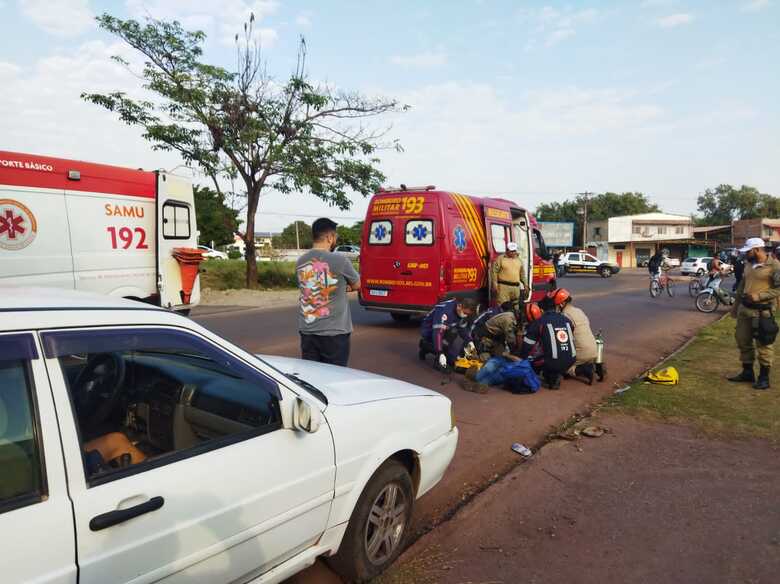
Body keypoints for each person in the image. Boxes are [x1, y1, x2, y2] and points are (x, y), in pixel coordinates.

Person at [296, 218, 360, 366]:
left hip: (307, 332)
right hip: (334, 333)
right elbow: (358, 284)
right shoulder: (340, 261)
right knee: (334, 375)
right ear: (329, 237)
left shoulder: (300, 261)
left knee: (311, 375)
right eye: (335, 236)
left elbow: (307, 288)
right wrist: (347, 287)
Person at [727, 238, 780, 390]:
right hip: (745, 310)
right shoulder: (749, 264)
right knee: (742, 340)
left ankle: (764, 378)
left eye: (748, 251)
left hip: (762, 312)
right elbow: (742, 286)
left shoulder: (774, 266)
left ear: (757, 250)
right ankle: (747, 372)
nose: (745, 254)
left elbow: (778, 288)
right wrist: (735, 308)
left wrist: (759, 296)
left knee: (764, 344)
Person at [547, 288, 604, 384]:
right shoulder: (579, 311)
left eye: (555, 305)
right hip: (594, 350)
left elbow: (561, 340)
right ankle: (593, 366)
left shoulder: (564, 316)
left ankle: (584, 370)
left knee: (560, 366)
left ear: (561, 304)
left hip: (581, 354)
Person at [516, 302, 576, 389]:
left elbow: (526, 348)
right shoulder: (566, 319)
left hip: (554, 361)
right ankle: (558, 372)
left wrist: (521, 360)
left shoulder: (539, 322)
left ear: (541, 310)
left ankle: (551, 376)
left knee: (532, 361)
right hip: (571, 359)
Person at [419, 297, 479, 371]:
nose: (465, 315)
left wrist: (469, 341)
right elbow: (437, 333)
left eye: (467, 314)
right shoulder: (445, 311)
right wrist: (440, 353)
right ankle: (433, 356)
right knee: (452, 333)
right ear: (460, 306)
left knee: (453, 359)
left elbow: (462, 329)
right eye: (465, 313)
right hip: (429, 329)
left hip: (446, 328)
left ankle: (432, 347)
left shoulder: (460, 311)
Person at [491, 242, 526, 306]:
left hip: (516, 288)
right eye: (511, 251)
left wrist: (525, 284)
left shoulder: (519, 260)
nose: (513, 253)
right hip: (503, 287)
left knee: (515, 306)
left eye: (514, 251)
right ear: (507, 250)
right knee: (503, 306)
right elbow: (494, 272)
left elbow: (522, 274)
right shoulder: (500, 259)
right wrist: (495, 284)